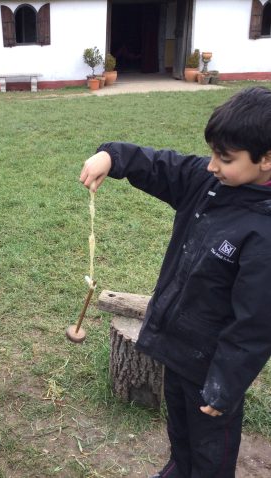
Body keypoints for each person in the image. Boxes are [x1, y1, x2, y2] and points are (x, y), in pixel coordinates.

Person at [79, 86, 271, 478]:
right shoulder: (208, 183)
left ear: (266, 159)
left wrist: (224, 384)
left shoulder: (264, 232)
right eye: (214, 153)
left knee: (210, 450)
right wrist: (111, 155)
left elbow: (255, 324)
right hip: (177, 347)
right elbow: (159, 165)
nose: (212, 165)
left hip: (212, 367)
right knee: (181, 432)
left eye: (226, 158)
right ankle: (178, 468)